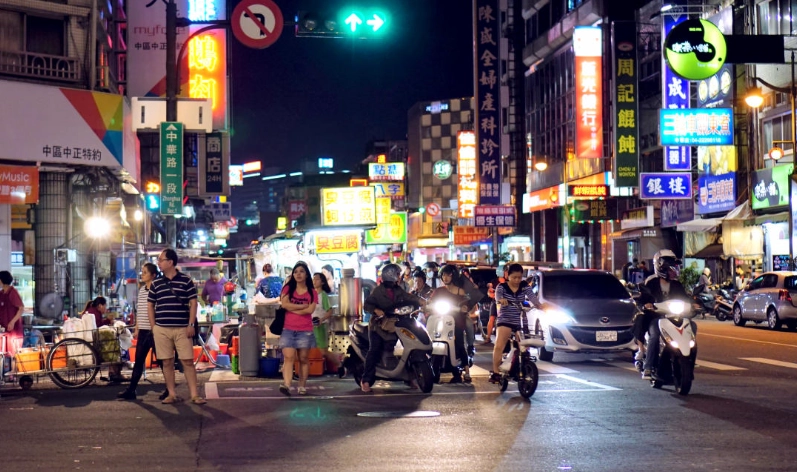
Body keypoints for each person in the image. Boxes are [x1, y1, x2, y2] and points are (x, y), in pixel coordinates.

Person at [148, 248, 206, 405]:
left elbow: (193, 303)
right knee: (166, 362)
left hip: (182, 328)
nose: (158, 263)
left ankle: (194, 394)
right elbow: (150, 305)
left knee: (187, 361)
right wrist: (154, 327)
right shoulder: (156, 283)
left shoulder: (186, 281)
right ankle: (172, 394)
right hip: (162, 328)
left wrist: (191, 324)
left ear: (170, 262)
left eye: (161, 260)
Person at [361, 263, 422, 393]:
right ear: (391, 275)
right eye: (398, 274)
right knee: (374, 350)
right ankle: (366, 380)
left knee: (407, 346)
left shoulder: (398, 289)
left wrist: (420, 301)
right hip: (378, 326)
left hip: (395, 324)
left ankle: (410, 377)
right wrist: (376, 310)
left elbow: (408, 297)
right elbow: (367, 305)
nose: (399, 277)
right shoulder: (378, 291)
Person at [635, 249, 695, 380]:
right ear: (661, 268)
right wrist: (646, 305)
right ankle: (648, 367)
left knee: (692, 328)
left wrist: (694, 304)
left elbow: (685, 298)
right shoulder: (651, 282)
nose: (673, 272)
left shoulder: (677, 284)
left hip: (675, 316)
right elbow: (642, 298)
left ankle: (690, 365)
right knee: (655, 335)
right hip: (656, 317)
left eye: (674, 269)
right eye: (670, 269)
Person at [490, 263, 538, 384]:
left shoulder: (524, 286)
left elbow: (532, 298)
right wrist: (501, 300)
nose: (517, 280)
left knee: (523, 346)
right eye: (514, 277)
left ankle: (520, 367)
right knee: (499, 345)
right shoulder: (502, 287)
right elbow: (498, 296)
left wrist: (540, 305)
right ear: (508, 276)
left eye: (519, 277)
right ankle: (495, 372)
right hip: (505, 320)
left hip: (520, 320)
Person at [118, 262, 158, 400]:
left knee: (163, 361)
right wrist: (137, 327)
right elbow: (140, 311)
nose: (142, 274)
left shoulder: (157, 289)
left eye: (145, 272)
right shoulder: (142, 290)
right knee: (139, 361)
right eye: (142, 272)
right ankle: (132, 390)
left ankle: (169, 390)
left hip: (155, 331)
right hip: (143, 331)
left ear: (153, 275)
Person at [278, 262, 318, 396]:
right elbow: (284, 305)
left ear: (306, 274)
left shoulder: (312, 292)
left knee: (303, 359)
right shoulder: (287, 289)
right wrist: (302, 307)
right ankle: (287, 385)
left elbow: (311, 310)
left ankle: (302, 385)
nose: (298, 274)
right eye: (295, 272)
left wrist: (292, 307)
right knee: (288, 357)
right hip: (288, 328)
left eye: (301, 271)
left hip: (305, 330)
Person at [435, 264, 479, 383]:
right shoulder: (439, 291)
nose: (446, 277)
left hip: (457, 321)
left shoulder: (460, 291)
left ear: (453, 276)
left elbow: (468, 302)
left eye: (448, 275)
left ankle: (466, 371)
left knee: (459, 343)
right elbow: (431, 301)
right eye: (443, 275)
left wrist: (465, 307)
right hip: (441, 322)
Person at [311, 272, 344, 377]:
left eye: (317, 279)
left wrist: (321, 319)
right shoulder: (312, 294)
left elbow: (329, 311)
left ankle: (340, 365)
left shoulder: (323, 296)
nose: (314, 281)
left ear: (322, 282)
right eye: (313, 279)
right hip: (310, 326)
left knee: (323, 351)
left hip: (321, 326)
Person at [0, 270, 25, 355]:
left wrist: (12, 322)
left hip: (13, 329)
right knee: (4, 353)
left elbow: (21, 308)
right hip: (4, 329)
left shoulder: (12, 292)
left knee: (13, 353)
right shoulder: (2, 293)